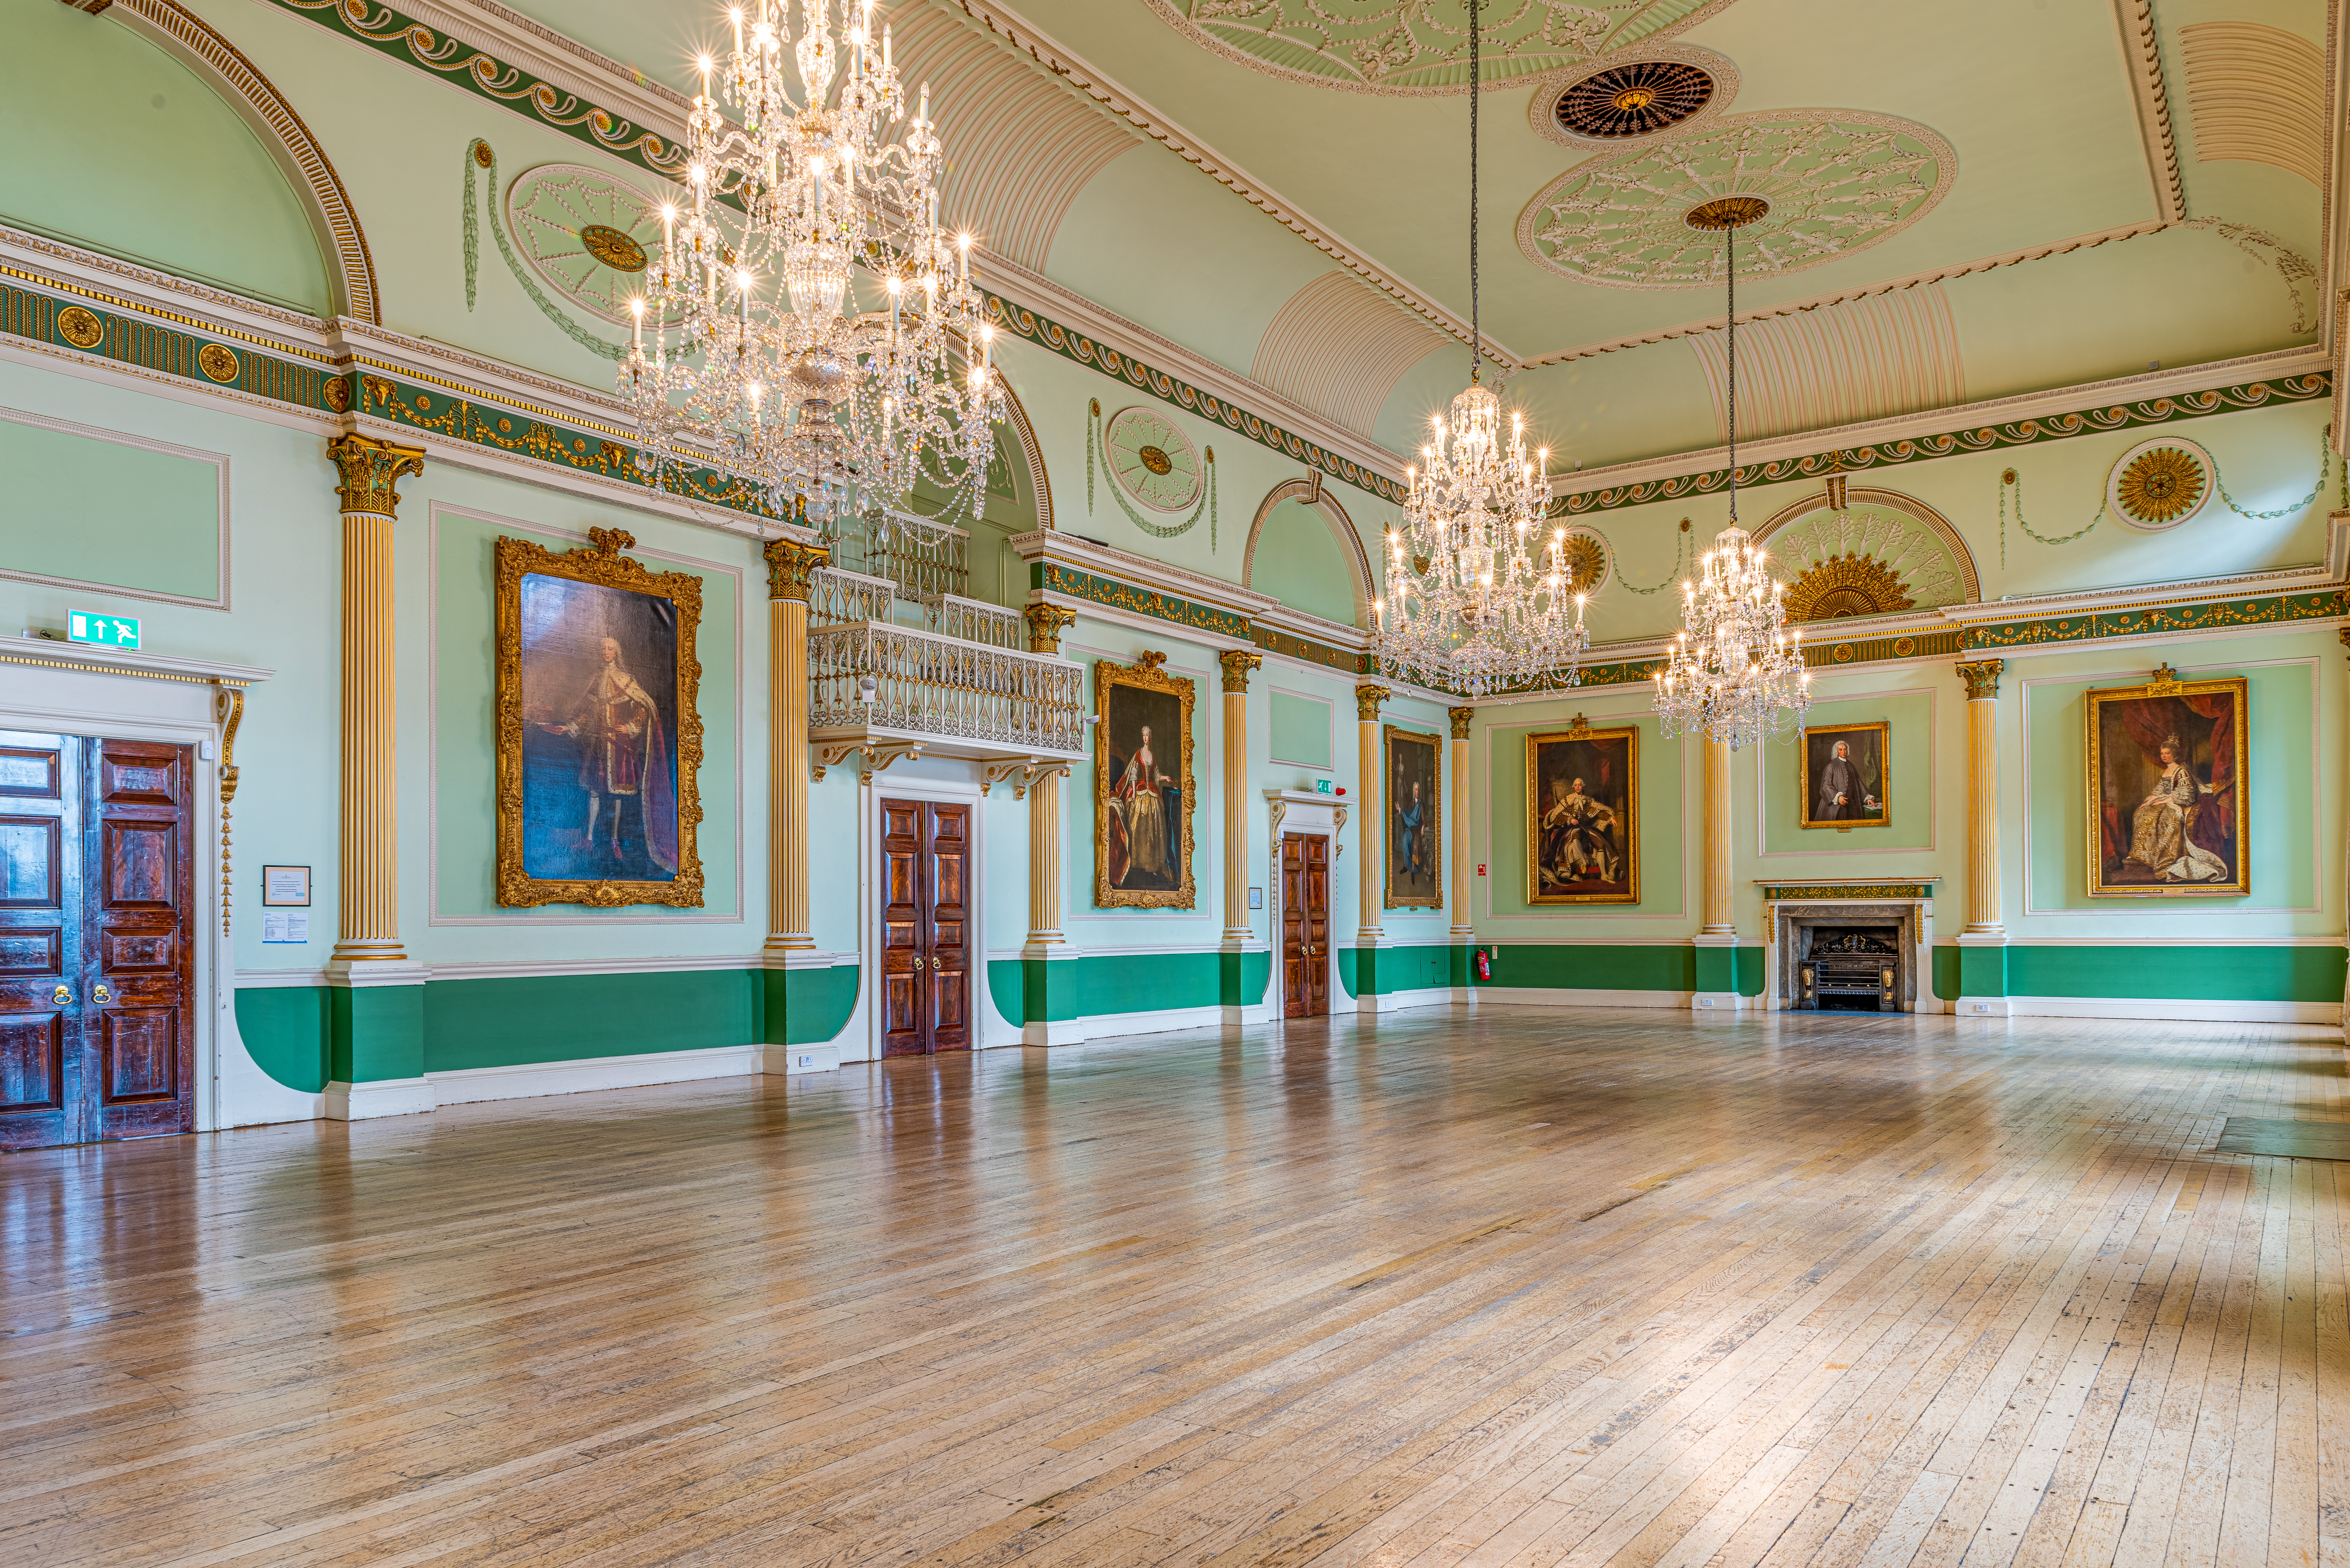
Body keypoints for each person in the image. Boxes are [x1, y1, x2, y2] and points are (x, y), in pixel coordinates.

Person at [540, 634, 676, 872]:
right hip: (598, 744)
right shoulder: (595, 680)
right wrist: (569, 727)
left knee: (616, 795)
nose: (606, 652)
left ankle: (614, 840)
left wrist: (632, 726)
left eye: (610, 649)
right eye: (603, 648)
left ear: (617, 652)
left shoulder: (626, 679)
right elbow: (586, 713)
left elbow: (644, 707)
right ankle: (589, 840)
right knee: (595, 791)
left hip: (620, 745)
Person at [2125, 735, 2226, 881]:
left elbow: (2187, 794)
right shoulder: (2165, 772)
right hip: (2166, 801)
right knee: (2141, 813)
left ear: (2174, 754)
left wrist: (2164, 801)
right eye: (2162, 754)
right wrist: (2149, 802)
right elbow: (2159, 790)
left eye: (2167, 753)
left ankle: (2164, 857)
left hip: (2179, 803)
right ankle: (2143, 854)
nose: (2164, 756)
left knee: (2163, 818)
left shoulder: (2182, 771)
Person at [1112, 724, 1173, 885]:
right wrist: (1132, 793)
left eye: (1147, 735)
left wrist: (1165, 778)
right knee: (1138, 823)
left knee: (1154, 825)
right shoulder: (1139, 754)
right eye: (1144, 735)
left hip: (1151, 790)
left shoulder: (1152, 755)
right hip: (1139, 789)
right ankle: (1136, 861)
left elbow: (1156, 775)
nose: (1145, 738)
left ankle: (1152, 863)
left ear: (1150, 737)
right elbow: (1133, 774)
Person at [1812, 738, 1879, 821]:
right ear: (1836, 752)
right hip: (1836, 806)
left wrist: (1867, 797)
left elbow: (1858, 782)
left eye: (1845, 749)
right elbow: (1826, 785)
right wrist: (1837, 797)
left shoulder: (1851, 765)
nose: (1844, 752)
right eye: (1841, 750)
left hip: (1852, 805)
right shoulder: (1831, 766)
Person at [1395, 779, 1427, 885]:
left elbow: (1423, 819)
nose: (1417, 792)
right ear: (1414, 791)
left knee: (1415, 846)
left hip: (1417, 831)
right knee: (1405, 840)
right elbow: (1407, 815)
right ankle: (1406, 866)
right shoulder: (1411, 803)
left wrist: (1423, 827)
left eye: (1418, 790)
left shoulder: (1421, 805)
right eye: (1416, 790)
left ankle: (1413, 870)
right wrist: (1400, 810)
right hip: (1410, 829)